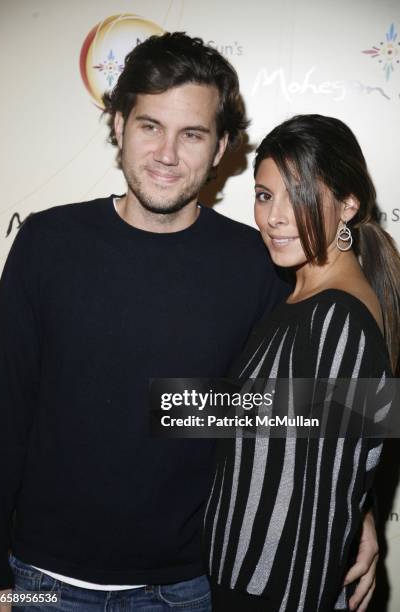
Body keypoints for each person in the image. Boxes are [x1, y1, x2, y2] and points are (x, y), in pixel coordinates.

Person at [0, 34, 378, 612]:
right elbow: (1, 412)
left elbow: (321, 407)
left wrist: (357, 509)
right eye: (150, 126)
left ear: (222, 145)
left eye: (192, 134)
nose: (167, 154)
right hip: (41, 585)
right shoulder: (47, 244)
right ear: (119, 124)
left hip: (186, 591)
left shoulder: (262, 264)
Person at [204, 114, 400, 612]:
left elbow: (321, 514)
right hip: (237, 584)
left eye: (299, 195)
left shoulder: (338, 320)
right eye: (265, 195)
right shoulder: (300, 298)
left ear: (349, 204)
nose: (274, 217)